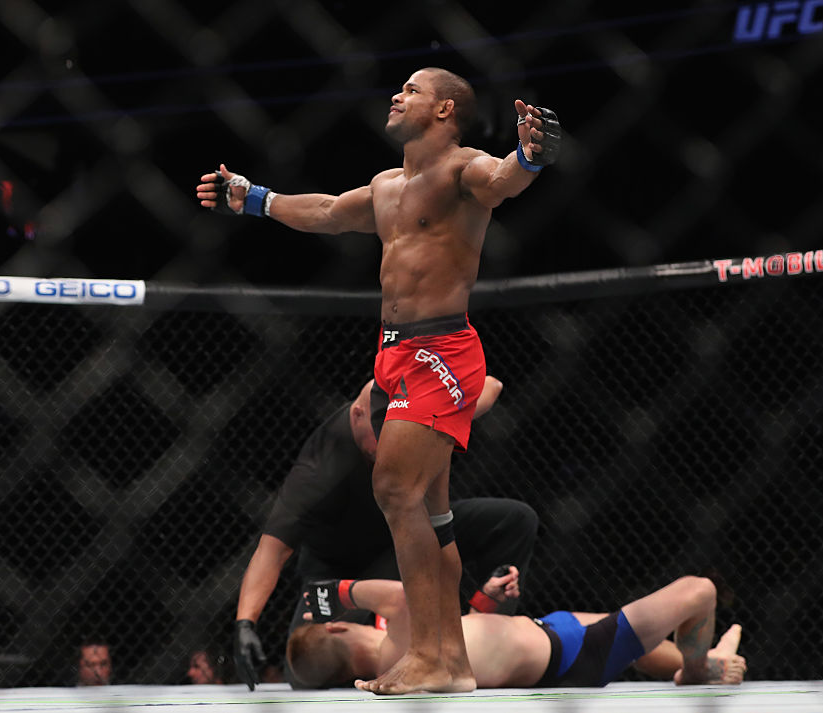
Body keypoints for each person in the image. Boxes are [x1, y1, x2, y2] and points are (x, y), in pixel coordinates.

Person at [197, 66, 561, 694]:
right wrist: (254, 198)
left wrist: (530, 155)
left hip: (441, 350)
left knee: (394, 488)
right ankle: (452, 663)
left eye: (412, 89)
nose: (397, 94)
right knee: (435, 515)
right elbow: (327, 211)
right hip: (393, 353)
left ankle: (427, 655)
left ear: (445, 110)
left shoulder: (463, 169)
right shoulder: (387, 186)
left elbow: (503, 180)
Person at [230, 376, 539, 689]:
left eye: (394, 430)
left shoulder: (411, 420)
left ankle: (490, 625)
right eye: (381, 432)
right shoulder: (317, 470)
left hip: (410, 535)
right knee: (306, 671)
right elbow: (271, 551)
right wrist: (245, 621)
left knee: (514, 519)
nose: (392, 443)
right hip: (341, 571)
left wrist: (445, 408)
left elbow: (492, 386)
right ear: (358, 415)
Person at [289, 570, 747, 691]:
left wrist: (486, 601)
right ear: (337, 629)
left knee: (640, 645)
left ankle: (707, 662)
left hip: (550, 631)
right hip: (572, 656)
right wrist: (338, 591)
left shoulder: (409, 654)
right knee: (700, 590)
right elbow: (405, 595)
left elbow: (464, 634)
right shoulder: (398, 654)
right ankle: (697, 670)